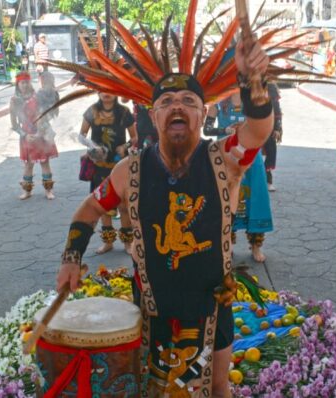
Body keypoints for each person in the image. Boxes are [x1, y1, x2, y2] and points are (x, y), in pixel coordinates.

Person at [56, 39, 272, 397]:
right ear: (152, 115)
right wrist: (71, 258)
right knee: (155, 388)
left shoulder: (228, 158)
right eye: (166, 103)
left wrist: (254, 84)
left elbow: (259, 130)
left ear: (203, 115)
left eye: (189, 102)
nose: (177, 107)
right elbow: (91, 209)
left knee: (217, 386)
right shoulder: (129, 171)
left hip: (211, 309)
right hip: (152, 309)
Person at [205, 92, 273, 263]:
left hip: (252, 157)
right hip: (225, 156)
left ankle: (256, 245)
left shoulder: (252, 103)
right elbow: (207, 130)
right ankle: (227, 244)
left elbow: (264, 126)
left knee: (255, 199)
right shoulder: (218, 103)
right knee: (224, 200)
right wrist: (224, 130)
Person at [79, 93, 136, 254]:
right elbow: (81, 135)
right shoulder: (91, 111)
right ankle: (108, 242)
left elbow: (134, 137)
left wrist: (125, 146)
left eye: (109, 89)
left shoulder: (124, 112)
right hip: (99, 165)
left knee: (124, 205)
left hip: (120, 165)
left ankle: (127, 242)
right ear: (97, 92)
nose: (106, 93)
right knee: (103, 205)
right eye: (102, 90)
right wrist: (92, 145)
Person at [10, 71, 59, 200]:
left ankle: (48, 190)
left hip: (42, 133)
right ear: (18, 84)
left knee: (45, 163)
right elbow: (14, 125)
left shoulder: (38, 96)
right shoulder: (14, 101)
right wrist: (25, 135)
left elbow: (46, 114)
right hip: (27, 135)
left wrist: (42, 131)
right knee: (28, 164)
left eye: (27, 82)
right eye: (22, 83)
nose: (25, 85)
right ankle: (27, 191)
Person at [263, 81, 282, 192]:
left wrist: (277, 129)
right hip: (254, 128)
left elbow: (278, 114)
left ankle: (268, 180)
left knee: (271, 152)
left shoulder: (272, 93)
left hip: (269, 128)